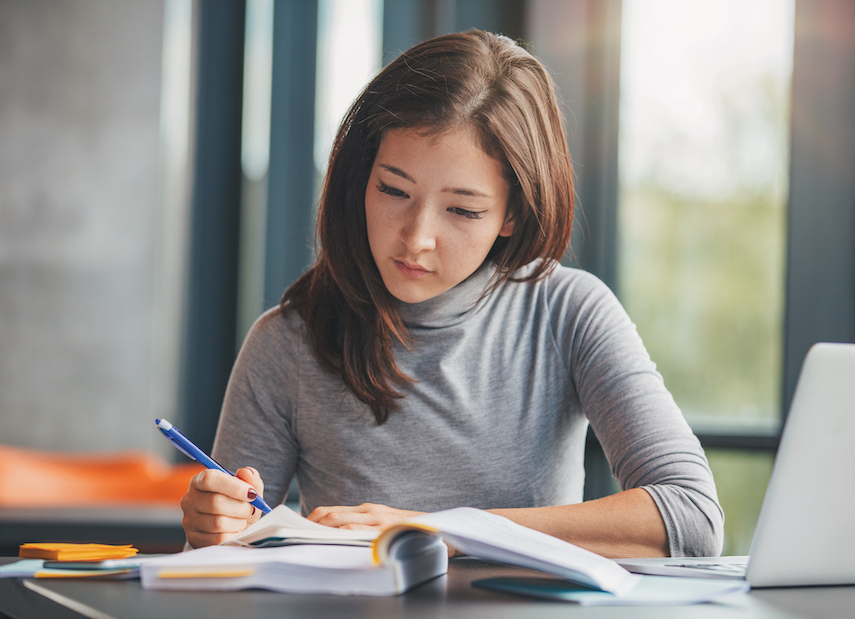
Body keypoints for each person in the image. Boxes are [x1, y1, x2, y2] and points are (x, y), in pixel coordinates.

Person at [180, 30, 724, 559]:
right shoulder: (288, 343)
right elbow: (218, 566)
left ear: (512, 214)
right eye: (393, 189)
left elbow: (692, 517)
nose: (416, 238)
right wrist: (213, 531)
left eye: (463, 210)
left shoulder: (568, 313)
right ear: (361, 177)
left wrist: (444, 531)